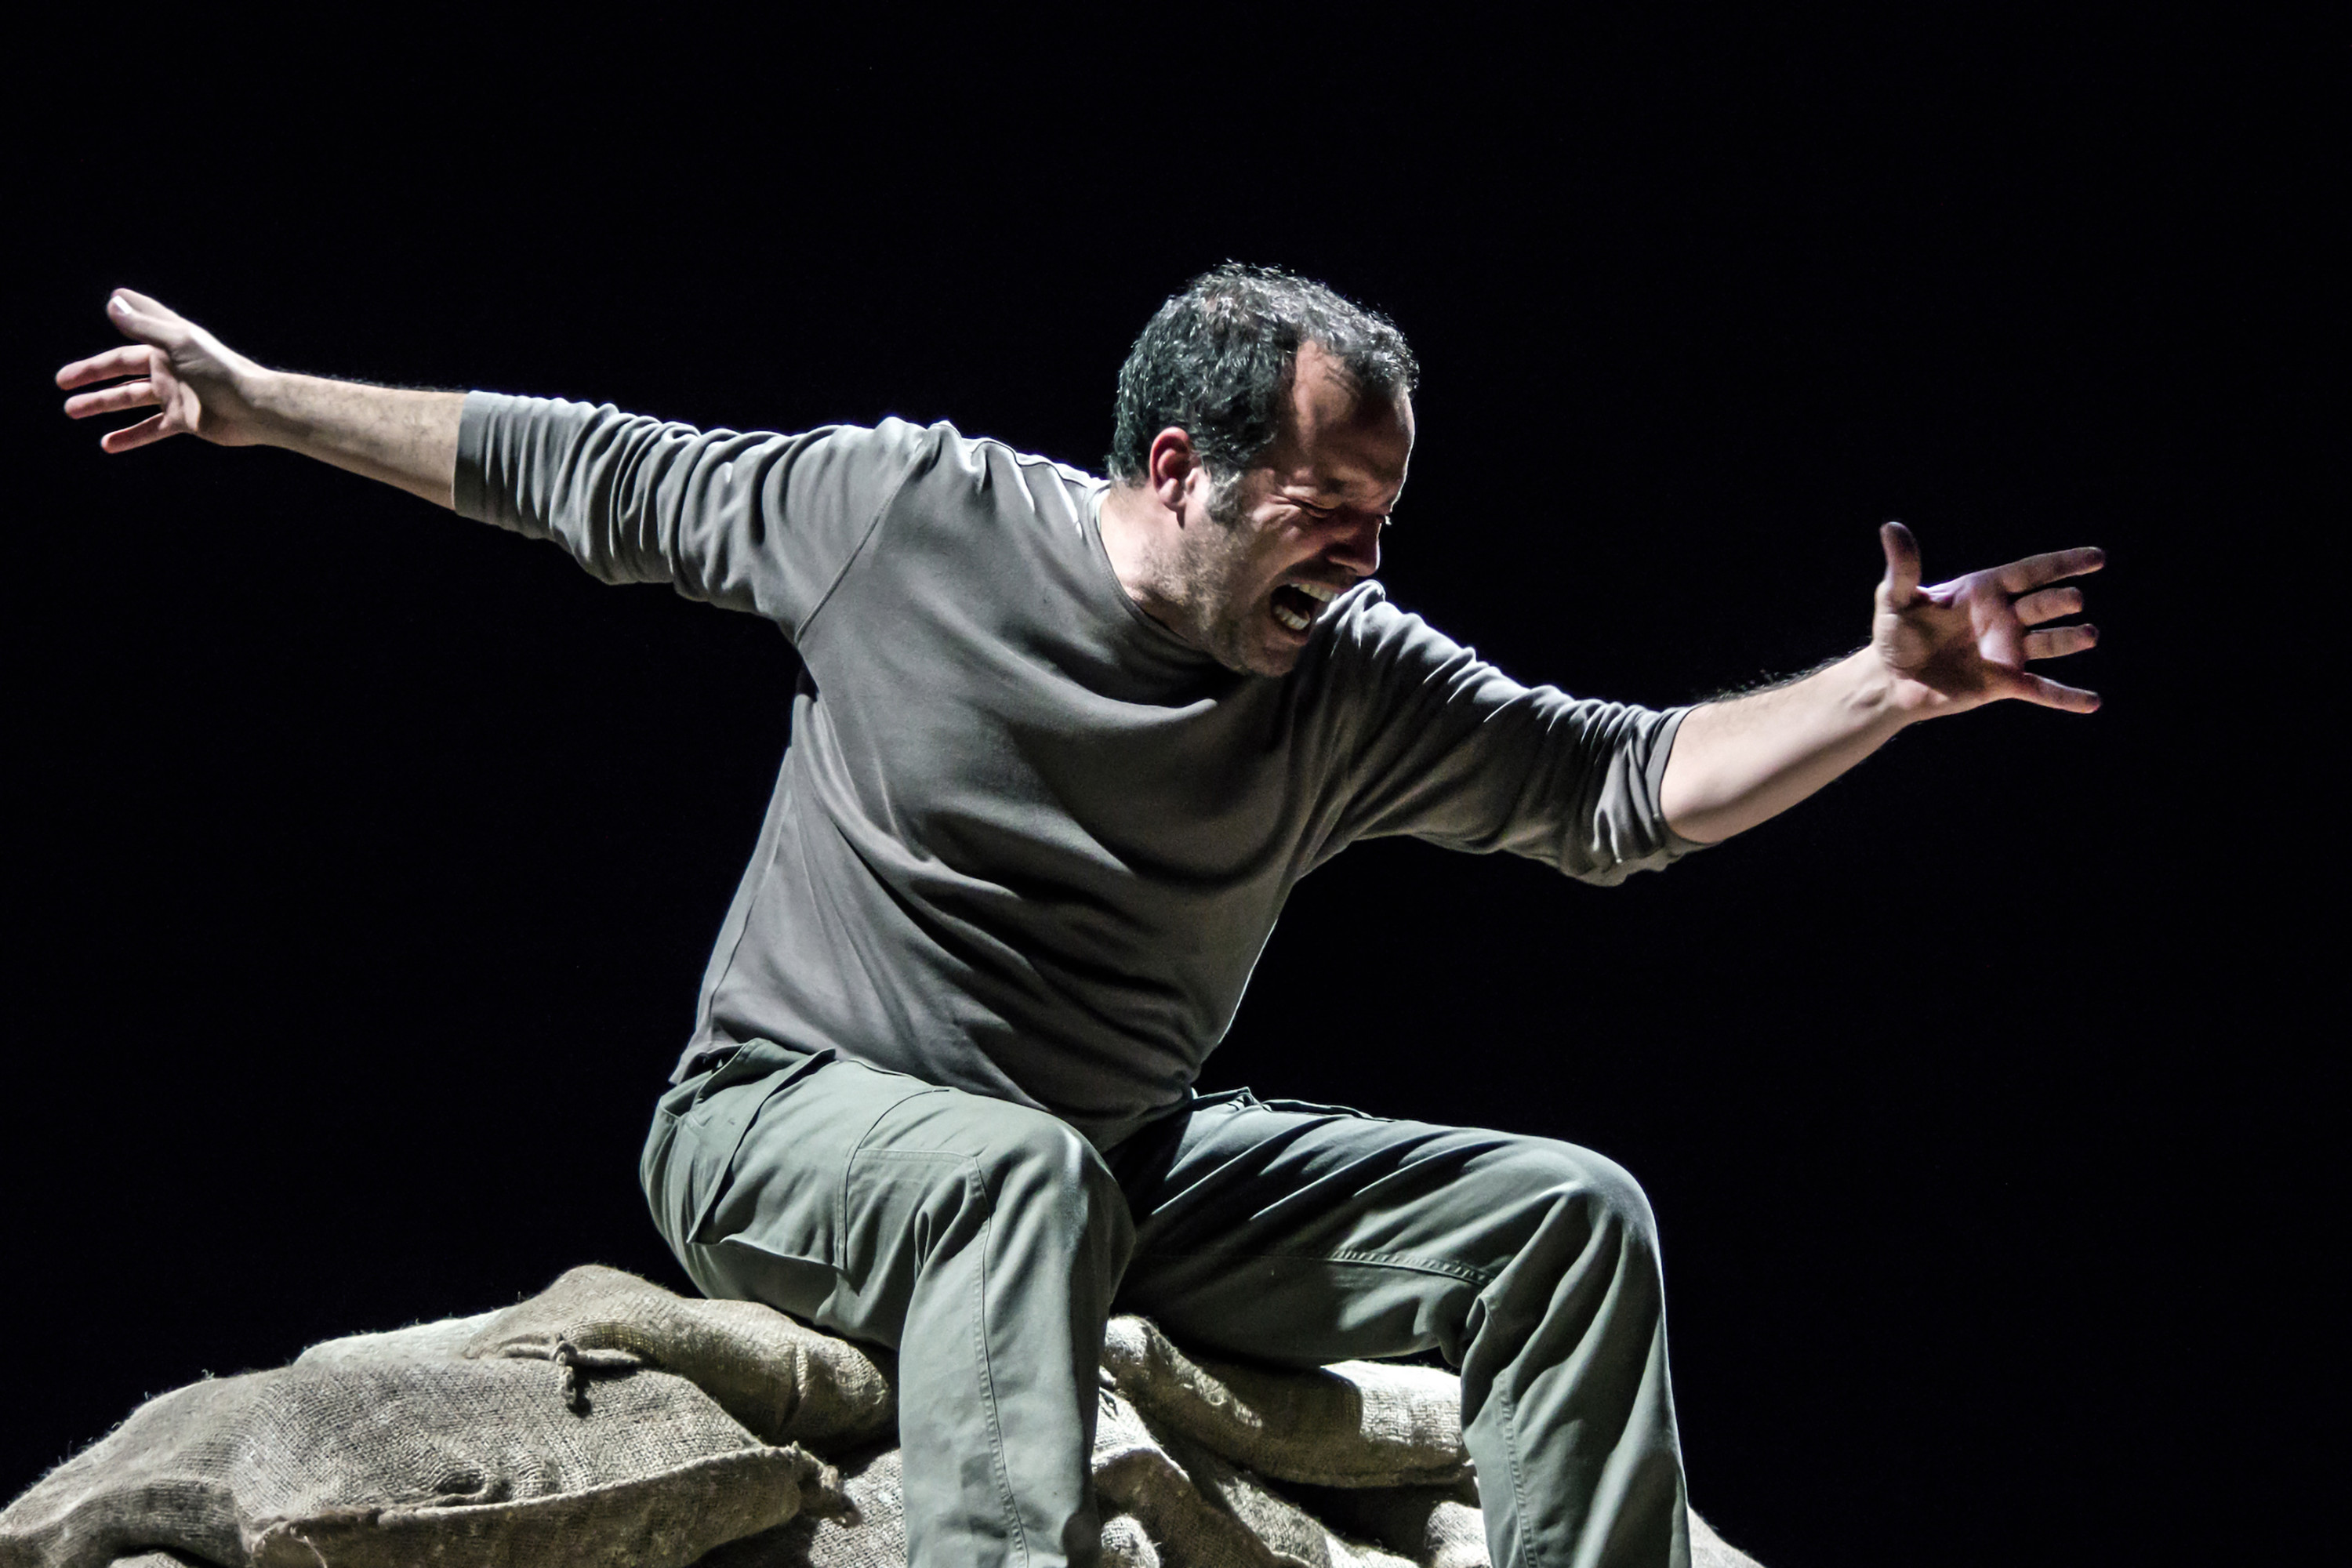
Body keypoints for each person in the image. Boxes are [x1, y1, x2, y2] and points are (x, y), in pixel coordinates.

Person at [56, 267, 2101, 1568]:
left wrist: (1883, 692)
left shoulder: (1349, 675)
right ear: (1179, 466)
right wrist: (264, 402)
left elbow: (1617, 788)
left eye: (1383, 523)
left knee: (1568, 1216)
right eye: (1322, 514)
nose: (1360, 565)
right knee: (1014, 1180)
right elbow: (580, 470)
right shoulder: (905, 516)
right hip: (784, 1124)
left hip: (1117, 1163)